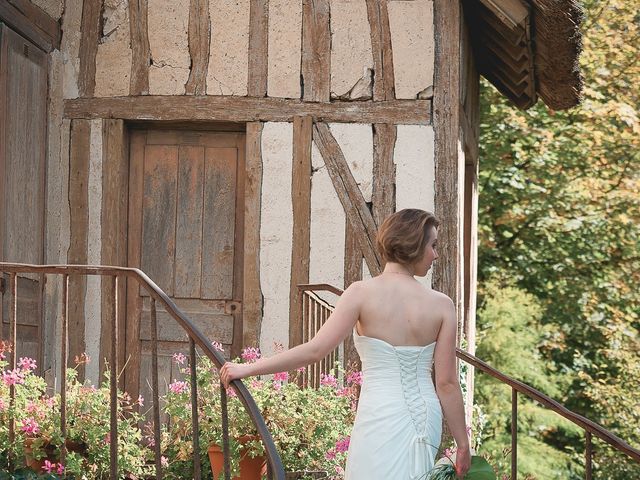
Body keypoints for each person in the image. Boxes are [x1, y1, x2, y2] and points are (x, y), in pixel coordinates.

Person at [221, 209, 471, 479]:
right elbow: (446, 383)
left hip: (379, 412)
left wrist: (248, 368)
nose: (436, 254)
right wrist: (462, 444)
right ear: (412, 244)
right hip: (424, 417)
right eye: (432, 246)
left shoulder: (360, 294)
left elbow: (315, 350)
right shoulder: (442, 305)